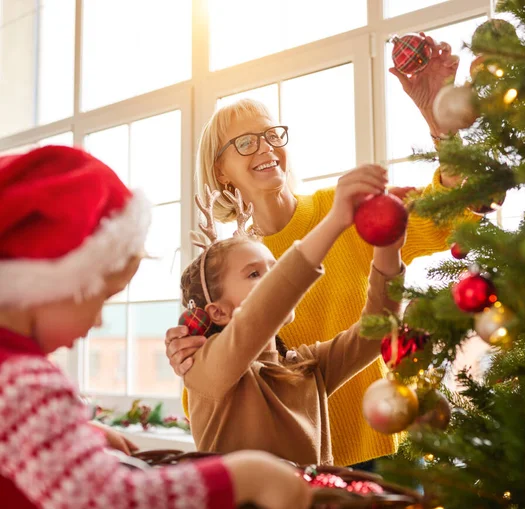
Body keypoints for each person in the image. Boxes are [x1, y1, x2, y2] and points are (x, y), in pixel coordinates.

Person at [167, 35, 469, 468]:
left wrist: (444, 121)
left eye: (271, 135)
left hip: (379, 452)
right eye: (246, 143)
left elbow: (450, 218)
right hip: (283, 474)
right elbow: (212, 380)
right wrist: (187, 353)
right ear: (221, 170)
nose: (267, 148)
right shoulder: (227, 264)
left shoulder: (344, 210)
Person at [0, 146, 311, 509]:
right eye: (101, 297)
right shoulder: (26, 381)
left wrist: (72, 437)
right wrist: (244, 476)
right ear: (50, 282)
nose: (98, 320)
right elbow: (106, 500)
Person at [183, 165, 405, 465]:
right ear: (218, 312)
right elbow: (261, 311)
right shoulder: (206, 368)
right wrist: (336, 220)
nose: (272, 279)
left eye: (274, 269)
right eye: (253, 274)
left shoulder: (306, 367)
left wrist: (388, 246)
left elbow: (379, 328)